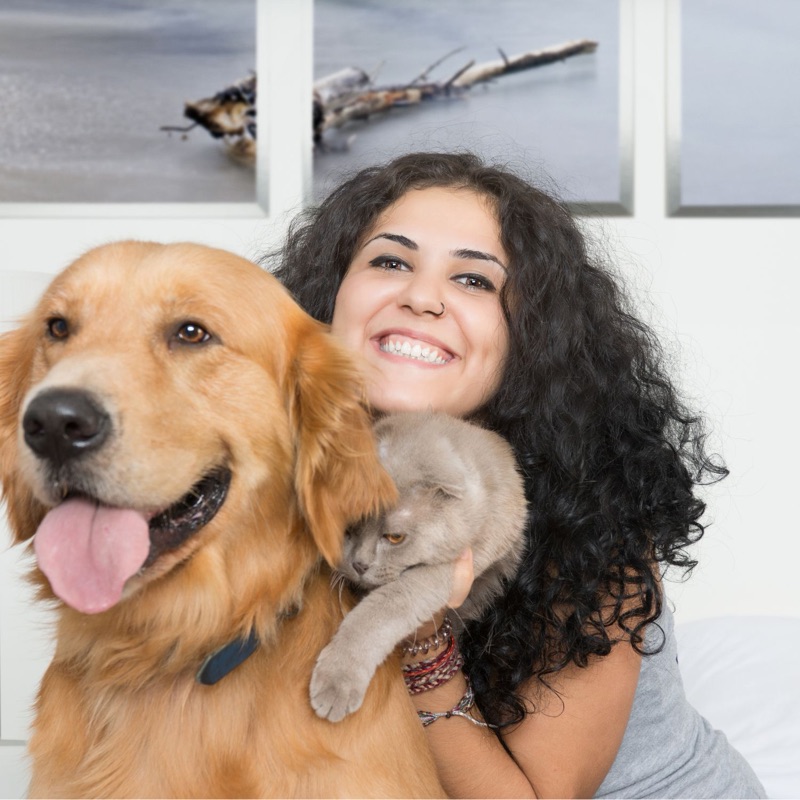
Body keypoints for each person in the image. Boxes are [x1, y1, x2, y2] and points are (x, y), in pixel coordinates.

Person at [269, 151, 765, 799]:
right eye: (390, 261)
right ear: (330, 297)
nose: (421, 296)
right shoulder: (266, 470)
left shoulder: (584, 511)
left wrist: (418, 637)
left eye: (475, 281)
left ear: (527, 337)